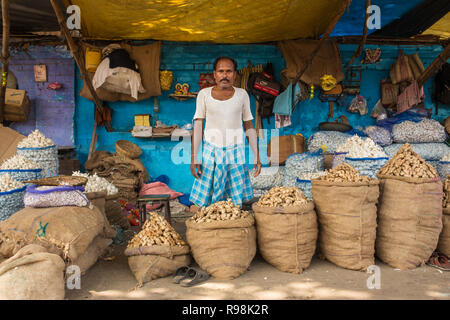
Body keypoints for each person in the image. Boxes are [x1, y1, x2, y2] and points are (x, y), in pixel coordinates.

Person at [189, 56, 262, 208]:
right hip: (211, 151)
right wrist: (194, 156)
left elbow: (249, 126)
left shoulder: (242, 95)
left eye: (229, 71)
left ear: (235, 74)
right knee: (207, 202)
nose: (225, 75)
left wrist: (257, 155)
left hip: (236, 151)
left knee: (234, 203)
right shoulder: (204, 94)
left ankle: (231, 228)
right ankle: (210, 229)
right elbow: (198, 125)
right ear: (214, 74)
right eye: (221, 71)